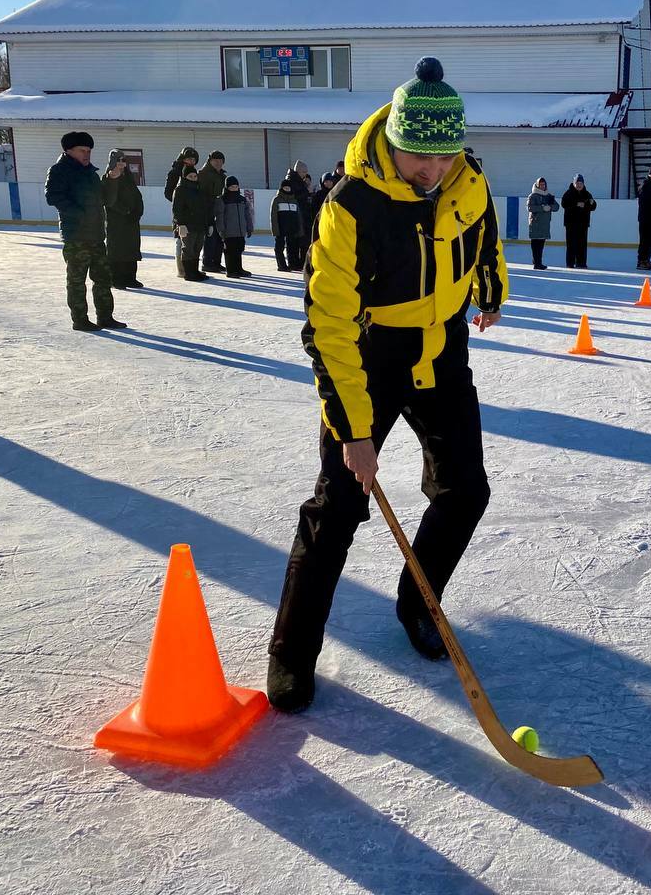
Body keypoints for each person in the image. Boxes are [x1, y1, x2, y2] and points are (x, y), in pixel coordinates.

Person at [267, 56, 508, 713]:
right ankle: (291, 654)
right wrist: (355, 431)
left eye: (444, 156)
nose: (433, 170)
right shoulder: (350, 205)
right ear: (394, 140)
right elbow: (328, 326)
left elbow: (482, 232)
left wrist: (490, 287)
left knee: (466, 490)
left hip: (442, 351)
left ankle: (418, 603)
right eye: (418, 155)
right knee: (338, 508)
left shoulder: (468, 177)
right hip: (370, 356)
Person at [44, 131, 127, 331]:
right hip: (76, 236)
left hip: (96, 235)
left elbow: (106, 199)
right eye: (82, 150)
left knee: (103, 278)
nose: (86, 154)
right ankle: (80, 320)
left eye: (89, 151)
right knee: (77, 281)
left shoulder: (91, 173)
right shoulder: (59, 170)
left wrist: (113, 179)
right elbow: (53, 196)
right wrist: (79, 213)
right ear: (69, 150)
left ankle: (105, 317)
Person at [101, 149, 144, 289]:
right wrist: (125, 211)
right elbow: (109, 200)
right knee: (117, 250)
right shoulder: (108, 178)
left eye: (123, 160)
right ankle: (116, 279)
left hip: (131, 221)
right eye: (118, 160)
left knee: (131, 249)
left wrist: (137, 212)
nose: (121, 163)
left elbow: (137, 196)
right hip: (117, 222)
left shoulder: (128, 177)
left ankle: (130, 278)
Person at [171, 165, 211, 282]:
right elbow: (176, 209)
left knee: (197, 248)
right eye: (190, 176)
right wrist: (180, 224)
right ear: (184, 177)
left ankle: (195, 271)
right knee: (188, 249)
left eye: (194, 176)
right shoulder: (180, 190)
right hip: (187, 225)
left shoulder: (199, 189)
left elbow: (204, 209)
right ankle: (188, 273)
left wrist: (208, 224)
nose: (193, 178)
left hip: (200, 225)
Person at [164, 146, 199, 279]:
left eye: (193, 159)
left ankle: (191, 268)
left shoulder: (193, 172)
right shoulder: (175, 172)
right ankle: (181, 268)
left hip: (193, 212)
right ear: (183, 158)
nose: (191, 161)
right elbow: (168, 193)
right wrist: (180, 201)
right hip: (181, 212)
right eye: (189, 158)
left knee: (192, 240)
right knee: (180, 239)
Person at [214, 175, 254, 279]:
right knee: (230, 251)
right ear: (227, 187)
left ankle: (238, 268)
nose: (234, 188)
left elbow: (247, 215)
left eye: (236, 186)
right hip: (229, 231)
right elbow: (219, 216)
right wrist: (221, 230)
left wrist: (249, 228)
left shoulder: (242, 199)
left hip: (240, 231)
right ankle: (231, 270)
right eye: (232, 187)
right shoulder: (222, 200)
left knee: (239, 249)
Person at [198, 150, 228, 273]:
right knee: (210, 236)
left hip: (219, 210)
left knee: (219, 236)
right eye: (215, 161)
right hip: (208, 210)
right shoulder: (203, 174)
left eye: (220, 161)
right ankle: (207, 262)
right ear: (210, 161)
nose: (218, 163)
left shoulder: (222, 176)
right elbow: (200, 193)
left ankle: (216, 262)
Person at [561, 173, 596, 268]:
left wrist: (592, 203)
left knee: (582, 244)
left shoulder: (587, 194)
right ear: (574, 183)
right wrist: (576, 204)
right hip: (571, 223)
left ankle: (581, 262)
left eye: (581, 183)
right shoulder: (568, 193)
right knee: (571, 244)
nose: (579, 185)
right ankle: (570, 263)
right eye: (577, 183)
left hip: (583, 223)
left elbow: (593, 207)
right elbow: (564, 204)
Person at [271, 182, 306, 272]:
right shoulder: (277, 200)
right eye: (285, 188)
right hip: (281, 229)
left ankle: (293, 264)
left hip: (292, 229)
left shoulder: (294, 201)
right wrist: (275, 230)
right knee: (279, 247)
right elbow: (273, 216)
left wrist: (300, 229)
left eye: (288, 188)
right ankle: (281, 265)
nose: (287, 189)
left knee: (292, 247)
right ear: (281, 188)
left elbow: (298, 216)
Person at [526, 176, 559, 270]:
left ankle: (537, 261)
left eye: (543, 184)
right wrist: (542, 208)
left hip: (544, 224)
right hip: (535, 223)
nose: (542, 186)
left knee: (541, 245)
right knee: (535, 244)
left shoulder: (548, 196)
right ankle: (537, 263)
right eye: (540, 184)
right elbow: (529, 207)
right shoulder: (533, 196)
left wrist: (550, 207)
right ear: (537, 185)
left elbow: (557, 207)